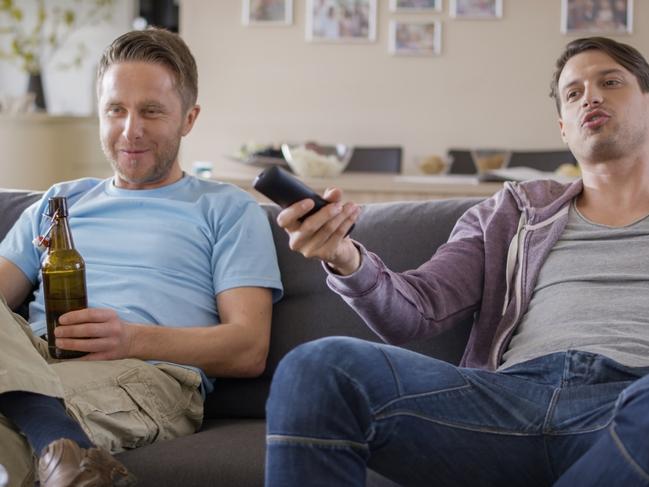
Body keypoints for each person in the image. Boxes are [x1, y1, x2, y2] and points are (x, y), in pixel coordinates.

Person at [266, 36, 649, 486]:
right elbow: (417, 309)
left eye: (610, 81)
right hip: (504, 406)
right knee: (320, 366)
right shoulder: (512, 212)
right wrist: (345, 257)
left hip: (629, 408)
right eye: (573, 93)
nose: (591, 96)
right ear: (563, 127)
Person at [0, 28, 282, 486]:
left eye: (151, 111)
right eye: (116, 110)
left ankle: (48, 426)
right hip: (36, 360)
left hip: (145, 376)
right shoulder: (59, 203)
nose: (131, 130)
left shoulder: (227, 208)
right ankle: (66, 445)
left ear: (189, 118)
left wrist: (130, 339)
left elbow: (249, 348)